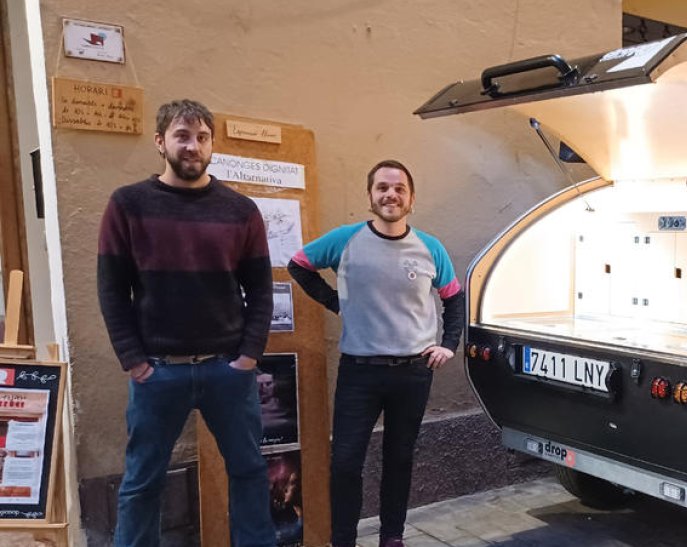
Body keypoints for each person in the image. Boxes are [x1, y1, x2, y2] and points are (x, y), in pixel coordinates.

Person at [97, 99, 275, 547]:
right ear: (161, 142)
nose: (192, 145)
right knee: (142, 482)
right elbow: (112, 290)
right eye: (181, 135)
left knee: (250, 473)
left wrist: (249, 356)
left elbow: (260, 289)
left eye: (201, 137)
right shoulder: (128, 205)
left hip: (227, 371)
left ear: (212, 145)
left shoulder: (241, 211)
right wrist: (135, 362)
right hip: (158, 371)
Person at [288, 159, 465, 547]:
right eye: (382, 187)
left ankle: (392, 537)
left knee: (399, 460)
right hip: (360, 373)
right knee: (346, 463)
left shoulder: (430, 247)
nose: (391, 194)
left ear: (411, 199)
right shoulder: (345, 240)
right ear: (370, 196)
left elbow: (455, 300)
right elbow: (298, 266)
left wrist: (447, 345)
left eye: (399, 188)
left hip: (414, 373)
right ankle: (343, 541)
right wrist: (337, 303)